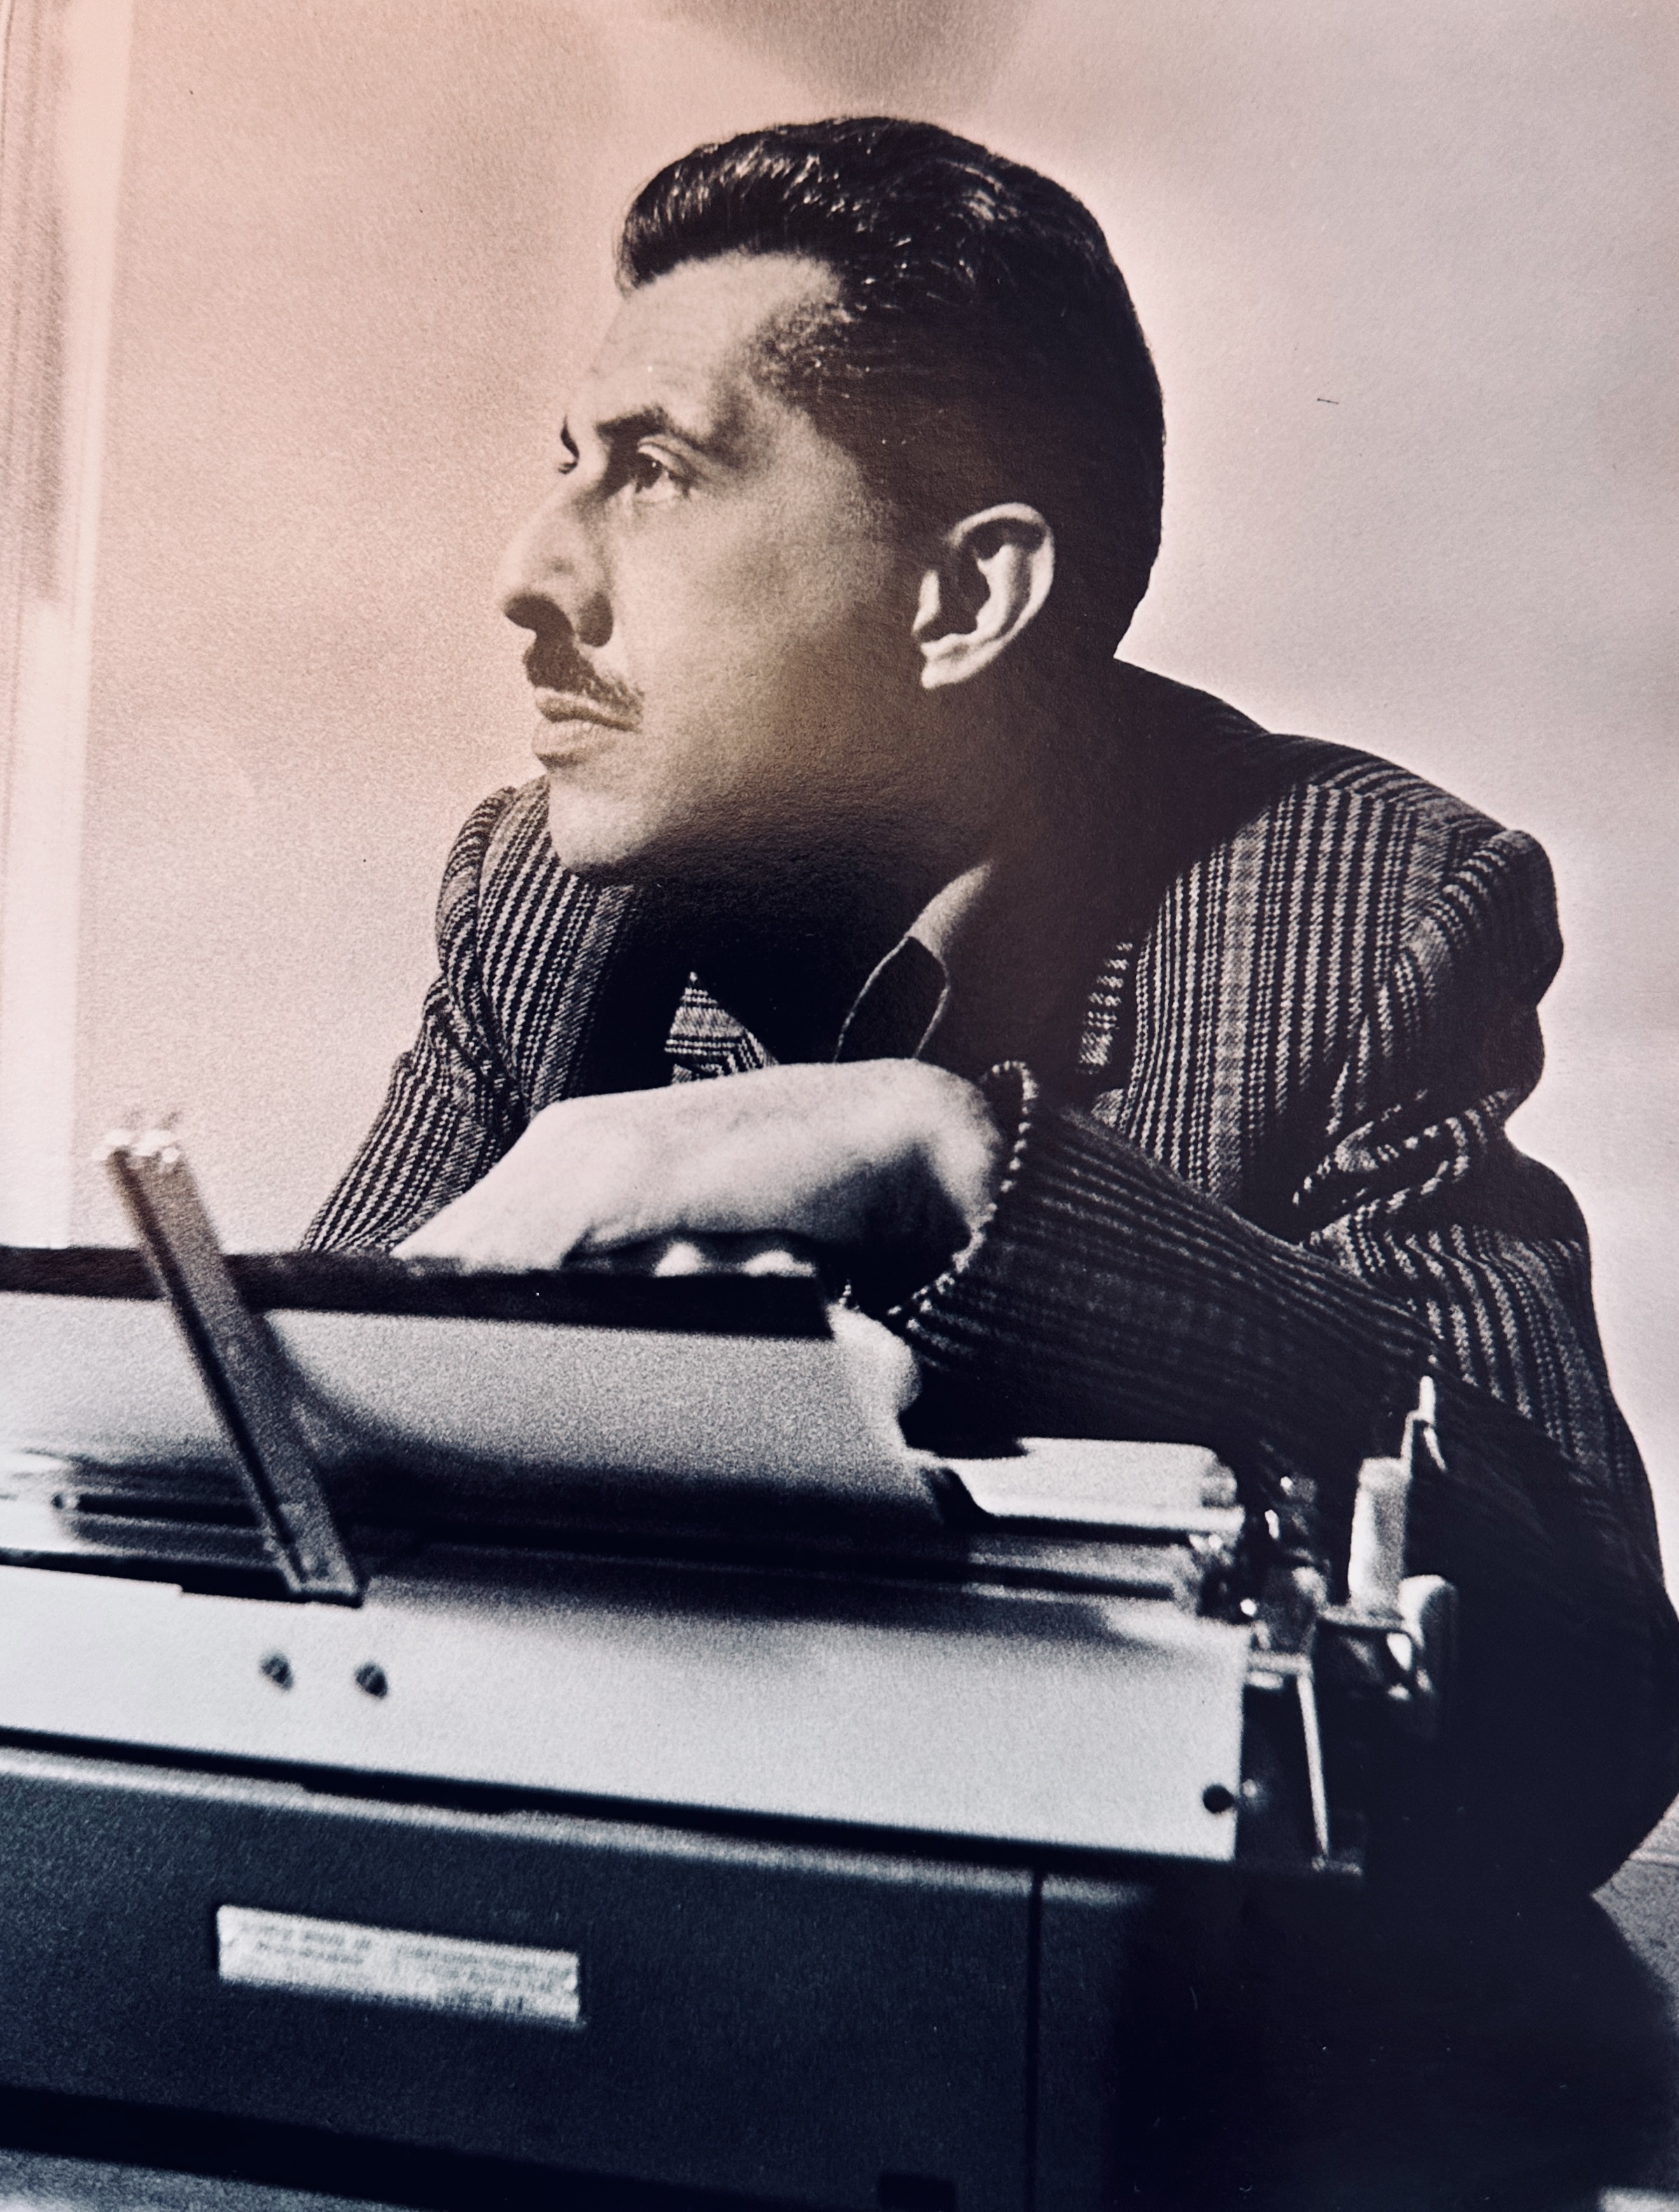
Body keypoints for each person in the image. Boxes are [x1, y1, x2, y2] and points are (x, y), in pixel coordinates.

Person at [307, 116, 1678, 1891]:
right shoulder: (542, 901)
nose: (529, 570)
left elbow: (1595, 1698)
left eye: (655, 471)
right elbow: (277, 1488)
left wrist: (945, 1157)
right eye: (568, 461)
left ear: (962, 596)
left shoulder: (1365, 908)